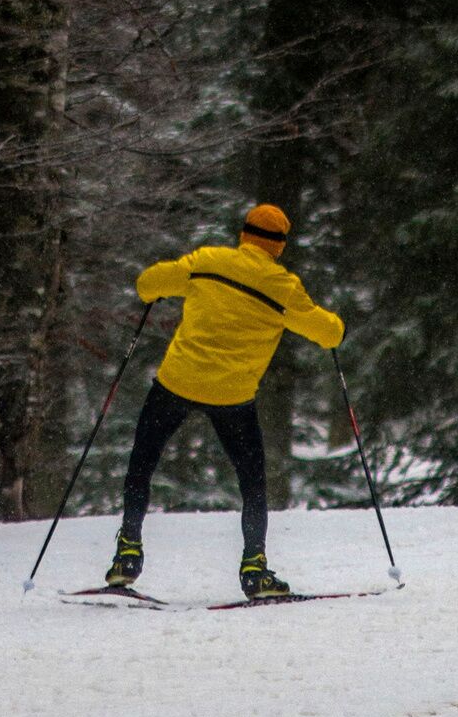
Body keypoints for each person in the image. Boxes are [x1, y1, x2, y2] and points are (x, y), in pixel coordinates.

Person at [106, 202, 344, 600]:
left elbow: (148, 284)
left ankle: (127, 552)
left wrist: (164, 286)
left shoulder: (208, 261)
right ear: (280, 246)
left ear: (243, 234)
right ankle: (255, 568)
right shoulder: (283, 287)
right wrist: (339, 326)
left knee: (142, 462)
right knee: (251, 481)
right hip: (232, 395)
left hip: (178, 381)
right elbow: (327, 333)